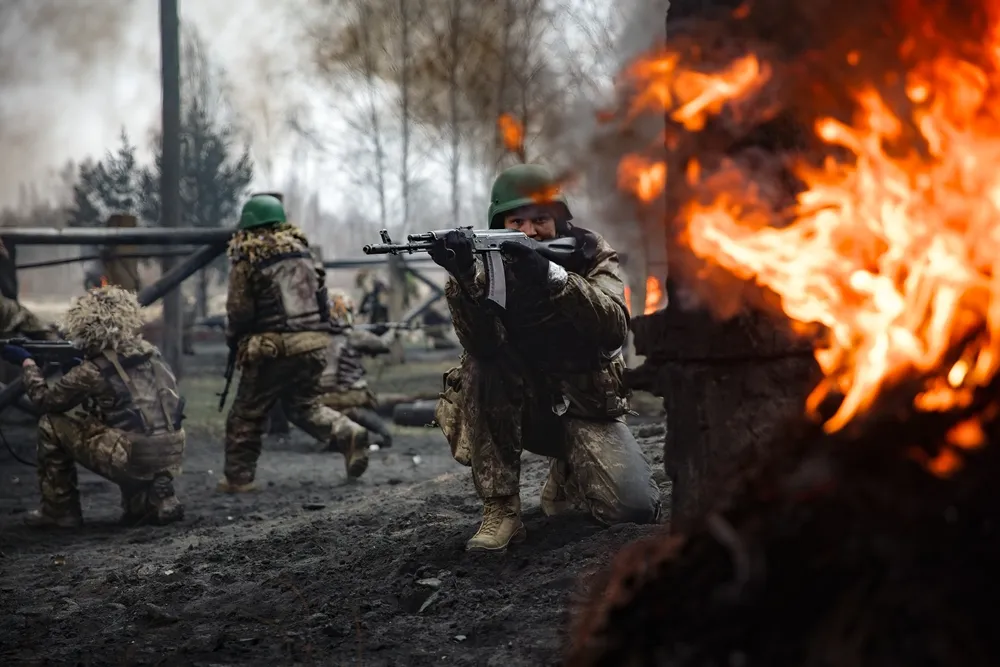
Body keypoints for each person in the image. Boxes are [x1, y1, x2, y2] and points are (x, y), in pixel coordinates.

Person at [431, 164, 661, 552]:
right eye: (516, 220)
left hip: (584, 406)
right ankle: (501, 510)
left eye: (541, 219)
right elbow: (481, 344)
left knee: (634, 509)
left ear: (559, 220)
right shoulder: (484, 266)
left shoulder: (590, 253)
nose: (529, 230)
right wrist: (464, 280)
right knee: (483, 364)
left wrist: (552, 275)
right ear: (499, 224)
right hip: (519, 408)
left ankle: (568, 471)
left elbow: (614, 327)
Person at [219, 194, 370, 492]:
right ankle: (347, 430)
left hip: (273, 348)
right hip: (314, 345)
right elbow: (322, 296)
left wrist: (235, 339)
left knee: (247, 412)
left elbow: (239, 311)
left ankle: (238, 479)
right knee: (303, 406)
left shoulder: (248, 257)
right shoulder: (304, 253)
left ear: (248, 223)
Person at [0, 286, 185, 527]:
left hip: (131, 454)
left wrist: (27, 364)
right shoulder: (151, 354)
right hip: (171, 450)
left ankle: (59, 510)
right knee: (134, 503)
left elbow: (45, 401)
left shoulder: (92, 371)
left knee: (51, 424)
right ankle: (152, 499)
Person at [319, 288, 393, 447]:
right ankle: (382, 434)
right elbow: (383, 346)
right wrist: (388, 332)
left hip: (319, 396)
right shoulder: (355, 336)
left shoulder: (313, 336)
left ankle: (336, 438)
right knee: (362, 401)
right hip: (348, 394)